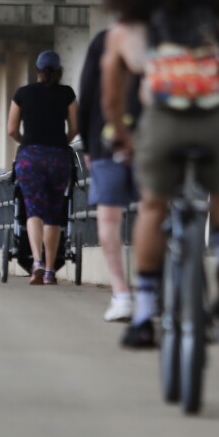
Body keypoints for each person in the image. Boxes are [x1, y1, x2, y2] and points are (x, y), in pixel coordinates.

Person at [100, 0, 219, 348]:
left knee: (153, 206)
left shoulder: (130, 29)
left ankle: (142, 314)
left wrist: (120, 133)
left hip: (163, 124)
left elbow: (112, 93)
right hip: (215, 123)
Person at [78, 30, 141, 321]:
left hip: (107, 139)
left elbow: (88, 93)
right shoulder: (167, 35)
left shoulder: (105, 40)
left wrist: (89, 146)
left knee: (108, 218)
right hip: (153, 136)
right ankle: (155, 286)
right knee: (155, 211)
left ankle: (122, 293)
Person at [7, 50, 78, 285]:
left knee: (33, 210)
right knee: (54, 213)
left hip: (30, 157)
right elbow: (75, 127)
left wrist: (26, 143)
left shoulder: (23, 94)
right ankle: (49, 270)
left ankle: (36, 262)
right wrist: (60, 142)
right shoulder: (67, 93)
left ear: (37, 71)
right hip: (58, 157)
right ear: (59, 71)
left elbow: (11, 130)